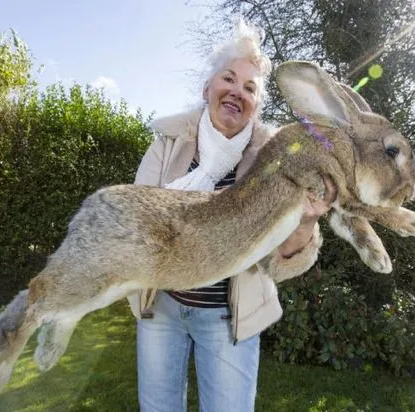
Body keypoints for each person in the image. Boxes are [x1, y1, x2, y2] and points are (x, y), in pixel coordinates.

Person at [128, 20, 337, 412]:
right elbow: (139, 221)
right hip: (163, 307)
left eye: (250, 88)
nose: (237, 92)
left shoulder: (276, 161)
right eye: (229, 79)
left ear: (257, 106)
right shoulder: (168, 142)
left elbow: (279, 261)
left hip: (229, 316)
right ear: (207, 88)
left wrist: (306, 220)